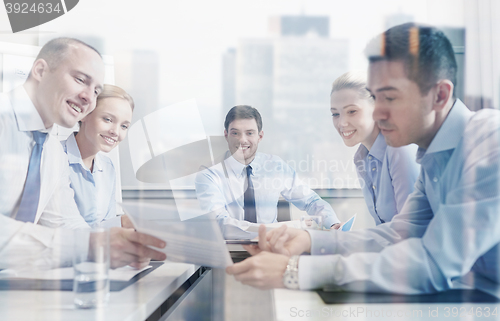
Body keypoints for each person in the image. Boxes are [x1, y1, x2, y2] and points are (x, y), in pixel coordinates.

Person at [227, 22, 500, 294]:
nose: (378, 113)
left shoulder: (490, 144)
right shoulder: (431, 157)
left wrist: (295, 271)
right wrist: (310, 240)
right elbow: (397, 234)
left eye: (390, 98)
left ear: (439, 95)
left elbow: (433, 263)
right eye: (376, 98)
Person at [0, 37, 166, 270]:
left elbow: (65, 223)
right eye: (80, 80)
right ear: (40, 70)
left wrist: (118, 246)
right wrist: (91, 246)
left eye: (96, 90)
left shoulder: (51, 151)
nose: (89, 97)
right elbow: (80, 243)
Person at [195, 105, 341, 239]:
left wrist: (332, 223)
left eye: (250, 133)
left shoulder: (275, 166)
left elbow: (311, 201)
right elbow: (219, 224)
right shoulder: (209, 173)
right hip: (231, 253)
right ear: (226, 135)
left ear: (260, 136)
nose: (242, 140)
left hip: (273, 250)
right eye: (235, 133)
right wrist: (284, 228)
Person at [330, 71, 419, 224]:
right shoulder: (362, 158)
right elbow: (383, 227)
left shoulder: (399, 149)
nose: (342, 123)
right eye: (335, 114)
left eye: (352, 111)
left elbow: (411, 228)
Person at [62, 84, 133, 228]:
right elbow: (59, 226)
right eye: (108, 119)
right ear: (85, 114)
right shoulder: (54, 156)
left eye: (124, 126)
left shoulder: (107, 167)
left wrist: (122, 224)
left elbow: (105, 224)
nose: (116, 132)